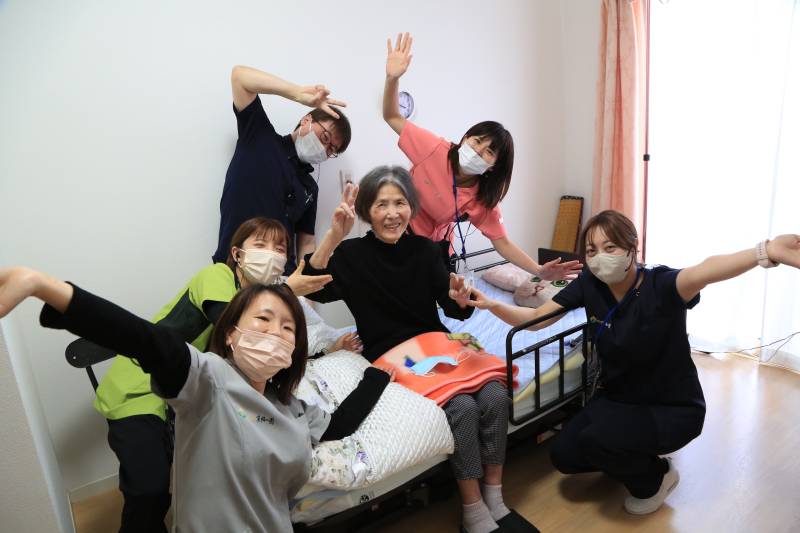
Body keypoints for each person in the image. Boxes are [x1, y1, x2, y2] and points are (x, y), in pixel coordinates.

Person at [467, 209, 800, 515]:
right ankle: (628, 453)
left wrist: (766, 251)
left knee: (599, 442)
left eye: (610, 247)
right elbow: (536, 318)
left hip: (670, 407)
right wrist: (490, 305)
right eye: (591, 250)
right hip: (620, 399)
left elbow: (706, 269)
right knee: (563, 456)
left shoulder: (661, 286)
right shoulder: (590, 284)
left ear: (631, 248)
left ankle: (657, 477)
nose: (599, 257)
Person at [0, 270, 387, 532]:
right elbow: (145, 339)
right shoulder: (210, 380)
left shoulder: (293, 408)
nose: (276, 333)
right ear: (231, 334)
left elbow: (339, 425)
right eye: (263, 319)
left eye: (288, 328)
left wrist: (377, 375)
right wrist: (43, 286)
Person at [302, 168, 539, 533]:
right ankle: (473, 510)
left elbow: (454, 308)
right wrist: (334, 234)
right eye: (381, 205)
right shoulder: (351, 254)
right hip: (394, 354)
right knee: (462, 408)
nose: (392, 213)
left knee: (495, 395)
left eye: (400, 203)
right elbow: (310, 286)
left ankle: (494, 496)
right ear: (367, 211)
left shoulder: (426, 250)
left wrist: (461, 298)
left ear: (411, 208)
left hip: (438, 343)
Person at [93, 217, 360, 532]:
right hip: (139, 387)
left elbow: (268, 347)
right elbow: (229, 323)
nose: (271, 253)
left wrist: (322, 352)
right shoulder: (217, 276)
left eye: (279, 248)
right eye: (260, 244)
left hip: (185, 400)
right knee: (148, 489)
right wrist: (288, 291)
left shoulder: (265, 301)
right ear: (237, 253)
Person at [382, 33, 581, 281]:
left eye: (489, 151)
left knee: (436, 298)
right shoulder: (434, 149)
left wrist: (539, 270)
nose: (478, 150)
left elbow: (503, 243)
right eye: (477, 141)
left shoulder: (482, 199)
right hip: (397, 232)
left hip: (432, 249)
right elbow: (392, 116)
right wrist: (392, 78)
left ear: (493, 166)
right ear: (465, 138)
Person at [213, 64, 352, 272]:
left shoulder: (310, 188)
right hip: (232, 266)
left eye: (332, 149)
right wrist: (298, 94)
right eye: (325, 138)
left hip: (281, 277)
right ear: (306, 120)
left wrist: (306, 286)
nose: (325, 149)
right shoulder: (259, 137)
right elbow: (240, 77)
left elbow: (306, 242)